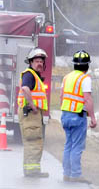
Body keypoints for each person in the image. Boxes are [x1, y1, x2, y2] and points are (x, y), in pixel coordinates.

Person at [60, 49, 97, 184]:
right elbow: (87, 99)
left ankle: (66, 174)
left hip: (65, 115)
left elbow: (61, 96)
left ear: (74, 64)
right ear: (87, 65)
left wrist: (63, 112)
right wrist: (92, 117)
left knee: (68, 145)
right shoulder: (85, 78)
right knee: (77, 146)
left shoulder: (66, 77)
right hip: (77, 116)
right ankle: (75, 175)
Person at [17, 47, 50, 178]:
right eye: (36, 61)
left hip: (31, 114)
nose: (39, 63)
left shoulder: (33, 75)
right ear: (30, 62)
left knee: (31, 141)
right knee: (34, 141)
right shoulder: (29, 74)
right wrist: (33, 106)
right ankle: (33, 171)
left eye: (41, 61)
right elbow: (25, 88)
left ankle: (29, 170)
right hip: (31, 113)